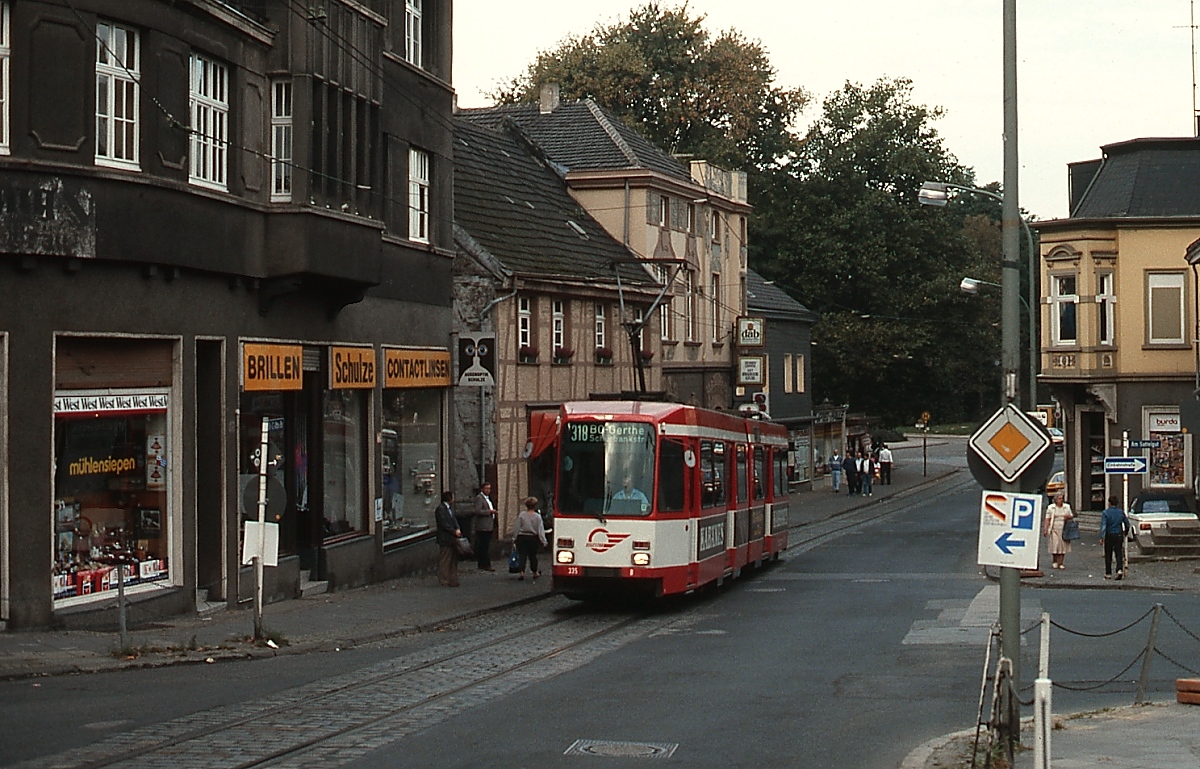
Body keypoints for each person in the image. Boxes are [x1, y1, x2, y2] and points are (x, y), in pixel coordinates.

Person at [512, 496, 548, 580]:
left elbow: (517, 527)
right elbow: (540, 529)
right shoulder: (537, 517)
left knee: (522, 555)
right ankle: (535, 572)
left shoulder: (522, 515)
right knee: (533, 556)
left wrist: (514, 538)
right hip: (532, 538)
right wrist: (544, 541)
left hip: (522, 537)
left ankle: (521, 572)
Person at [1099, 495, 1131, 580]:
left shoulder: (1105, 513)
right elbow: (1127, 523)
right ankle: (1119, 569)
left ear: (1109, 503)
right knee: (1118, 552)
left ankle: (1108, 573)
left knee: (1108, 554)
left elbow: (1104, 526)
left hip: (1109, 534)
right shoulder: (1120, 512)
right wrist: (1126, 532)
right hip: (1118, 534)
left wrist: (1102, 537)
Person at [434, 490, 461, 587]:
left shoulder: (450, 509)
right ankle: (444, 579)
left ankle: (453, 578)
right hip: (445, 538)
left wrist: (457, 528)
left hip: (452, 538)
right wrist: (453, 531)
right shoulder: (441, 509)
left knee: (453, 559)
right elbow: (443, 524)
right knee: (445, 559)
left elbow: (454, 520)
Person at [1044, 491, 1074, 570]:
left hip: (1064, 528)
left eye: (1062, 498)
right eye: (1059, 499)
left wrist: (1068, 517)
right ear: (1056, 500)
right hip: (1054, 528)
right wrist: (1045, 529)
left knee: (1062, 546)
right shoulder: (1051, 508)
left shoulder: (1066, 507)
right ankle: (1055, 561)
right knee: (1055, 544)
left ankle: (1061, 563)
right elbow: (1048, 519)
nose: (1061, 500)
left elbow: (1071, 515)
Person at [473, 482, 497, 571]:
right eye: (486, 488)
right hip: (483, 526)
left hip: (488, 524)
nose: (488, 490)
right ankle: (485, 564)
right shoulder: (479, 498)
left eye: (489, 488)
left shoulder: (487, 498)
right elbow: (477, 511)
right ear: (482, 489)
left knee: (485, 545)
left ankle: (482, 563)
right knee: (484, 545)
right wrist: (489, 512)